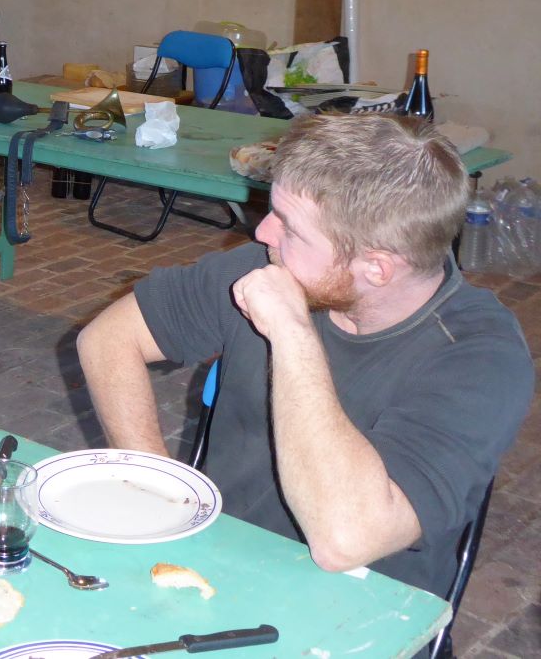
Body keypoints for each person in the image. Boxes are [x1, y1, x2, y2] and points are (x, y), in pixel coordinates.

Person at [78, 113, 533, 598]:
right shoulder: (268, 267)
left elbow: (344, 543)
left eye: (290, 228)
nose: (263, 233)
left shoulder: (480, 359)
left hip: (359, 610)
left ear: (377, 268)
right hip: (213, 570)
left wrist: (290, 331)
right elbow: (107, 340)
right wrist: (160, 493)